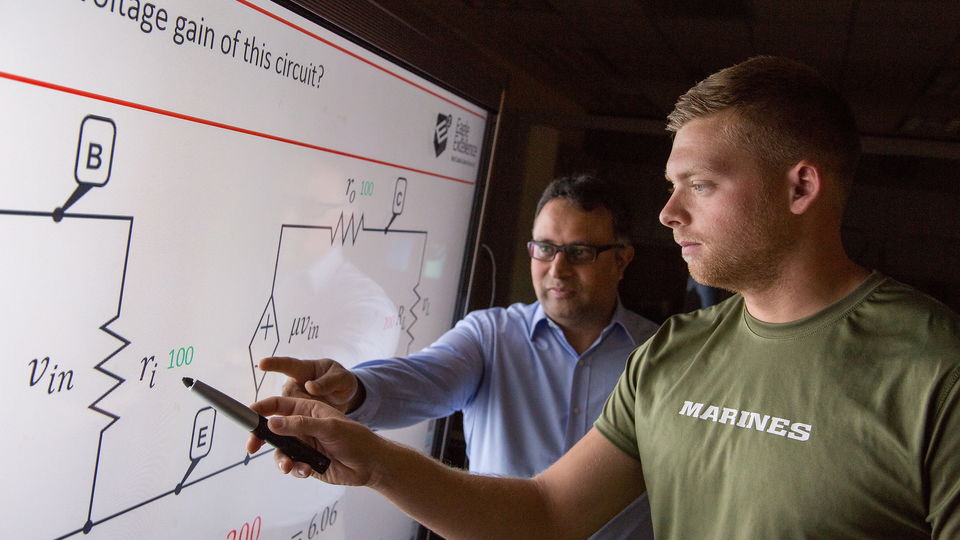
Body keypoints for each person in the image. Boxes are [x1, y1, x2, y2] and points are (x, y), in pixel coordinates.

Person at [248, 56, 960, 539]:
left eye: (700, 186)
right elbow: (548, 514)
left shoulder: (934, 368)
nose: (668, 214)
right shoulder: (676, 355)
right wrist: (371, 459)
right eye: (671, 187)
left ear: (800, 187)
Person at [258, 175, 659, 539]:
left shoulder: (661, 355)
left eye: (580, 252)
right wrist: (351, 390)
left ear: (621, 260)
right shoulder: (492, 335)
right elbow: (421, 378)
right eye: (545, 249)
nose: (558, 269)